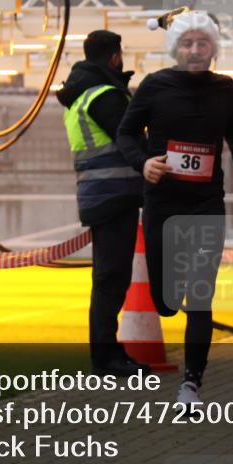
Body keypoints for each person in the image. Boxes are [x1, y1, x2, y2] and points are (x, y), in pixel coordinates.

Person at [116, 9, 233, 404]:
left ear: (213, 48)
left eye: (203, 43)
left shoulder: (226, 88)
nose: (196, 50)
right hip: (163, 201)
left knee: (200, 293)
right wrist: (143, 161)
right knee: (165, 302)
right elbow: (125, 133)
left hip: (207, 202)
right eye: (188, 43)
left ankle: (191, 382)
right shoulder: (155, 86)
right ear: (176, 48)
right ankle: (165, 300)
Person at [57, 30, 148, 377]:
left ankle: (108, 354)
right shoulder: (105, 96)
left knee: (108, 278)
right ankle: (107, 358)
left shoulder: (81, 94)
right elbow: (132, 142)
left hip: (100, 194)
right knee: (111, 279)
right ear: (114, 57)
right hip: (113, 195)